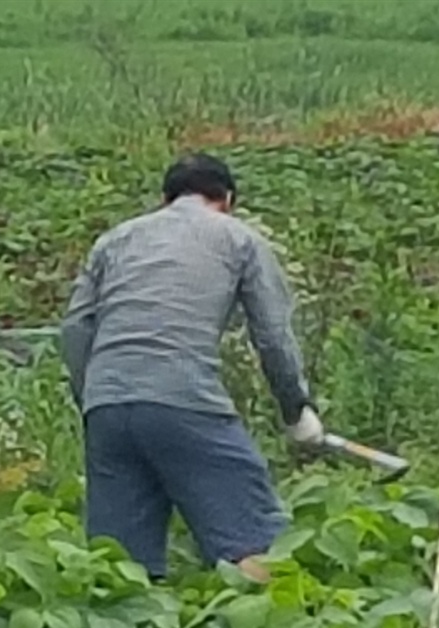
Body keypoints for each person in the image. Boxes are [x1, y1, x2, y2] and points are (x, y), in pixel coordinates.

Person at [59, 152, 324, 582]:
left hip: (106, 406)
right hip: (184, 400)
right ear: (228, 199)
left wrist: (95, 397)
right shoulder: (238, 239)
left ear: (165, 198)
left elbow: (74, 330)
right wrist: (296, 409)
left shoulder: (115, 240)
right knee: (255, 546)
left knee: (119, 569)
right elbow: (273, 335)